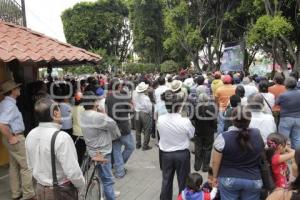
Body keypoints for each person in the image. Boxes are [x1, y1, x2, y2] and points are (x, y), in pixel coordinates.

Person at [25, 98, 85, 200]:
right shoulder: (62, 137)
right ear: (56, 113)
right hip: (61, 192)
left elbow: (30, 164)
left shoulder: (30, 135)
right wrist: (81, 186)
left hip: (40, 189)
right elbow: (73, 172)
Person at [212, 106, 264, 200]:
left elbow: (215, 162)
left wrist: (214, 177)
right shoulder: (257, 134)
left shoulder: (223, 137)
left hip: (229, 178)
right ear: (250, 119)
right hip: (253, 179)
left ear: (232, 119)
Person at [80, 91, 121, 200]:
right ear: (95, 103)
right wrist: (103, 113)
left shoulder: (82, 114)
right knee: (107, 179)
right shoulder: (98, 117)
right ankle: (110, 196)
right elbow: (112, 124)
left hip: (91, 149)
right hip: (102, 151)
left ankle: (105, 193)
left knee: (100, 174)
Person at [0, 80, 36, 200]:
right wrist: (12, 137)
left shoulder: (5, 103)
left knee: (14, 166)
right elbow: (2, 124)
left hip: (11, 136)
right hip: (15, 136)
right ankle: (28, 194)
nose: (19, 89)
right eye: (17, 88)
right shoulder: (9, 105)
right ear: (12, 91)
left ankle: (16, 193)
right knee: (26, 166)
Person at [158, 90, 195, 200]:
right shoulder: (185, 121)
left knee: (166, 180)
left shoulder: (160, 119)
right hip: (182, 155)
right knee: (183, 181)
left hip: (166, 154)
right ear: (179, 107)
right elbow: (192, 135)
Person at [105, 79, 135, 178]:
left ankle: (119, 171)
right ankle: (119, 168)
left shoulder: (108, 98)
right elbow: (131, 110)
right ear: (119, 87)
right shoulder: (124, 97)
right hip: (123, 127)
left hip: (112, 128)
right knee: (130, 147)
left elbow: (106, 113)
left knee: (116, 149)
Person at [193, 93, 217, 172]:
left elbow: (192, 120)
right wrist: (214, 128)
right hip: (209, 131)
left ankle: (197, 165)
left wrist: (195, 126)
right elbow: (214, 120)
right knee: (208, 149)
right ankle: (205, 166)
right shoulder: (212, 108)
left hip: (199, 131)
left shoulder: (196, 108)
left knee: (198, 147)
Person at [276, 77, 300, 149]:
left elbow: (276, 103)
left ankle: (284, 157)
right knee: (297, 139)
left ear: (285, 85)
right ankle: (296, 157)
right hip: (298, 118)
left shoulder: (283, 95)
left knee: (283, 139)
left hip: (285, 118)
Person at [132, 82, 153, 150]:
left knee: (138, 129)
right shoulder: (146, 98)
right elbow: (149, 108)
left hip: (137, 112)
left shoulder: (135, 94)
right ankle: (145, 145)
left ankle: (138, 144)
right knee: (147, 130)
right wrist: (150, 114)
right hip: (144, 113)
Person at [72, 91, 86, 165]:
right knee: (82, 151)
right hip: (83, 133)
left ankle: (78, 165)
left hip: (75, 133)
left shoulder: (72, 108)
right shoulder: (84, 108)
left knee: (77, 151)